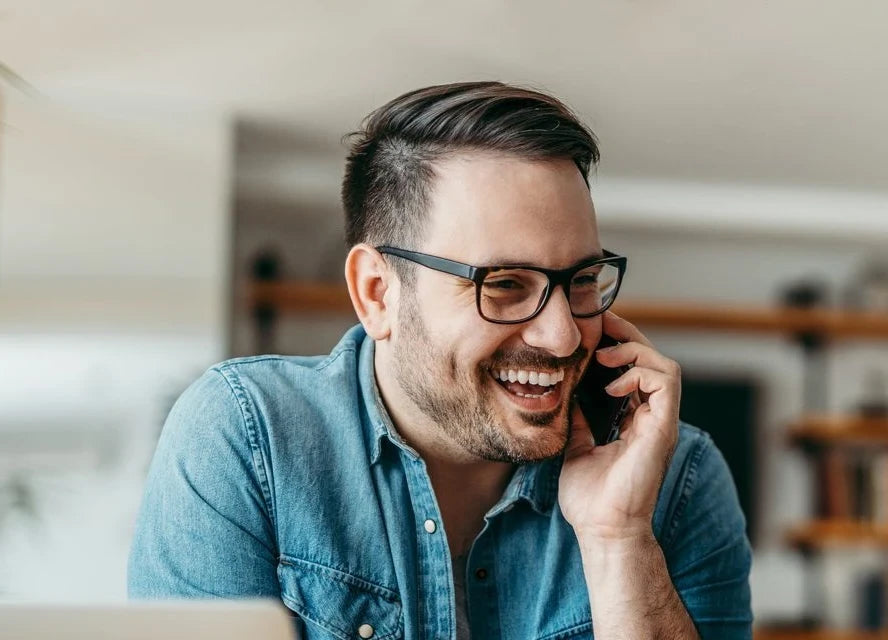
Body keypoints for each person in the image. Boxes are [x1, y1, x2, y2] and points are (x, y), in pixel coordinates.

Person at [129, 81, 752, 639]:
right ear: (378, 293)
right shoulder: (245, 433)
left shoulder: (676, 476)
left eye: (582, 278)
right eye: (505, 284)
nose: (564, 337)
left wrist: (619, 540)